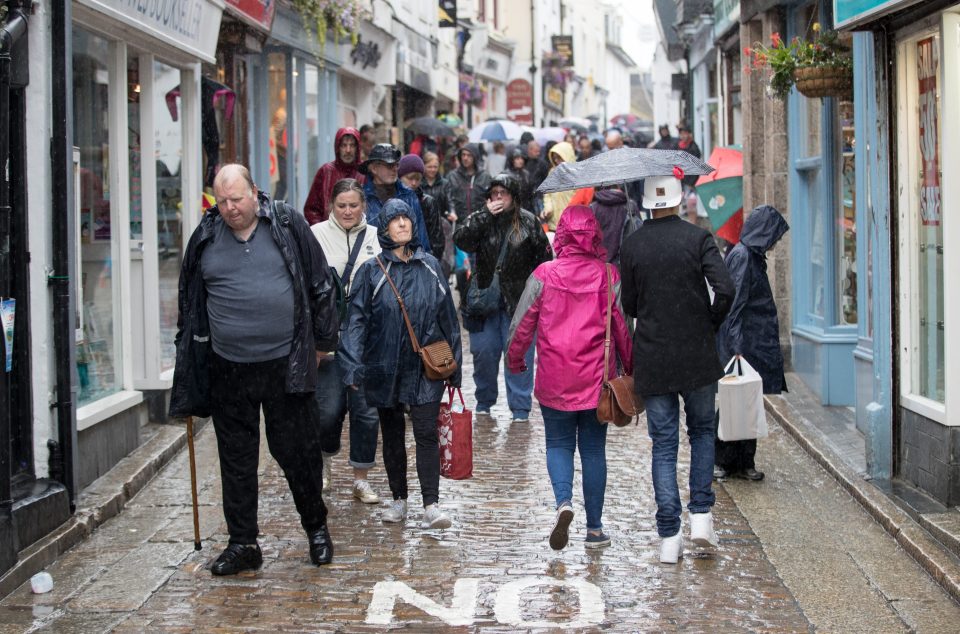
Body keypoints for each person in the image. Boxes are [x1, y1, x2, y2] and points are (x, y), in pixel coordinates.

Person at [169, 164, 339, 575]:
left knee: (297, 453)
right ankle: (243, 543)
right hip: (228, 367)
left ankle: (316, 528)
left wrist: (322, 344)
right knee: (236, 459)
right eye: (222, 201)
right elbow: (190, 302)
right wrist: (190, 362)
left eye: (237, 199)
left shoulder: (285, 222)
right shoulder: (205, 236)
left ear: (254, 193)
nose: (230, 208)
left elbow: (320, 283)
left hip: (286, 364)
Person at [619, 170, 735, 564]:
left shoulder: (632, 246)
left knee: (664, 445)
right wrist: (710, 321)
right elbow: (726, 289)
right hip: (698, 353)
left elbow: (629, 305)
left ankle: (669, 537)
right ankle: (701, 517)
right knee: (702, 432)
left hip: (654, 357)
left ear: (648, 202)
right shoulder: (698, 238)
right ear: (676, 198)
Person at [507, 205, 633, 550]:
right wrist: (632, 368)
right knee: (593, 450)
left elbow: (521, 325)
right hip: (597, 382)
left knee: (558, 444)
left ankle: (563, 502)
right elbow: (622, 327)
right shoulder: (609, 275)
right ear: (595, 235)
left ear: (561, 235)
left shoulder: (544, 274)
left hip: (555, 379)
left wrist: (515, 359)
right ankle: (594, 530)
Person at [338, 198, 462, 529]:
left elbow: (448, 318)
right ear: (385, 229)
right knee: (392, 435)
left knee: (425, 431)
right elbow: (356, 322)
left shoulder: (431, 266)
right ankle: (399, 500)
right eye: (395, 220)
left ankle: (431, 504)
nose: (403, 224)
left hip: (426, 367)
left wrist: (456, 366)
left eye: (407, 218)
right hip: (384, 365)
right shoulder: (371, 271)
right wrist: (351, 365)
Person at [453, 173, 552, 422]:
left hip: (518, 302)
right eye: (494, 193)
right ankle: (484, 400)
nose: (498, 198)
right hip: (484, 301)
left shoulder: (529, 223)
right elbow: (461, 239)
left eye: (503, 193)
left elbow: (545, 261)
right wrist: (484, 215)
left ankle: (520, 406)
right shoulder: (482, 219)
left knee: (519, 355)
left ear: (513, 196)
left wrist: (536, 295)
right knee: (483, 353)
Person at [311, 179, 383, 505]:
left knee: (365, 412)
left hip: (367, 339)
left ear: (363, 206)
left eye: (354, 205)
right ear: (331, 206)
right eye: (342, 206)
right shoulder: (315, 236)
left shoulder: (376, 238)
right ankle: (324, 460)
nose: (348, 211)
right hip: (329, 337)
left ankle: (361, 478)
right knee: (328, 409)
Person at [715, 205, 790, 481]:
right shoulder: (744, 257)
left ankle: (742, 461)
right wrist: (736, 351)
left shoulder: (750, 255)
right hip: (746, 346)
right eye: (774, 236)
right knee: (737, 402)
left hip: (751, 343)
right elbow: (734, 307)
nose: (775, 242)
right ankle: (726, 460)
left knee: (747, 402)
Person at [360, 143, 432, 253]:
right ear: (374, 168)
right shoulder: (361, 198)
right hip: (373, 264)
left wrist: (424, 263)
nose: (394, 169)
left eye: (396, 165)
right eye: (389, 165)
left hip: (406, 265)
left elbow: (420, 238)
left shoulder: (408, 195)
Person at [303, 127, 364, 225]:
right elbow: (311, 209)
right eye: (344, 145)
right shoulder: (326, 171)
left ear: (357, 148)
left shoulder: (364, 172)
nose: (348, 150)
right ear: (337, 147)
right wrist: (322, 230)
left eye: (352, 145)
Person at [398, 153, 445, 263]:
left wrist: (431, 261)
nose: (414, 183)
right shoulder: (393, 202)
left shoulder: (428, 202)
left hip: (424, 259)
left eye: (418, 179)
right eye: (410, 178)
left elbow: (437, 239)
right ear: (400, 177)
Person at [541, 142, 594, 233]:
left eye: (559, 158)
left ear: (567, 156)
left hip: (571, 224)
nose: (557, 161)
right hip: (553, 223)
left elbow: (583, 199)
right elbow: (547, 194)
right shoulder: (552, 172)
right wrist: (548, 208)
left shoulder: (579, 175)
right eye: (555, 158)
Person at [589, 184, 642, 267]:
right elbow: (639, 235)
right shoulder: (631, 205)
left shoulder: (593, 208)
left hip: (600, 267)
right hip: (626, 265)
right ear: (618, 186)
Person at [421, 152, 455, 277]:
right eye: (430, 166)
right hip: (424, 224)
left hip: (442, 224)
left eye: (435, 167)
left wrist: (452, 212)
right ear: (423, 166)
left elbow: (450, 200)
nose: (433, 170)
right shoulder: (419, 183)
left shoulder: (444, 183)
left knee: (443, 254)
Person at [445, 143, 492, 223]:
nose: (465, 158)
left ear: (475, 157)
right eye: (463, 155)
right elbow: (448, 197)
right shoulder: (452, 176)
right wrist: (452, 211)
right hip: (459, 221)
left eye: (469, 155)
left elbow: (490, 197)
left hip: (480, 222)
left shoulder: (485, 176)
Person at [504, 147, 533, 212]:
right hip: (510, 209)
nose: (521, 161)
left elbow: (530, 194)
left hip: (525, 208)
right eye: (517, 158)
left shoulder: (526, 174)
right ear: (512, 160)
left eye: (522, 158)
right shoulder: (505, 175)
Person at [677, 124, 702, 188]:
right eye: (681, 134)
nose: (683, 136)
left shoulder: (694, 148)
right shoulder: (679, 146)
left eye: (685, 134)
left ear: (689, 134)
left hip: (690, 182)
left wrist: (691, 183)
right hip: (681, 180)